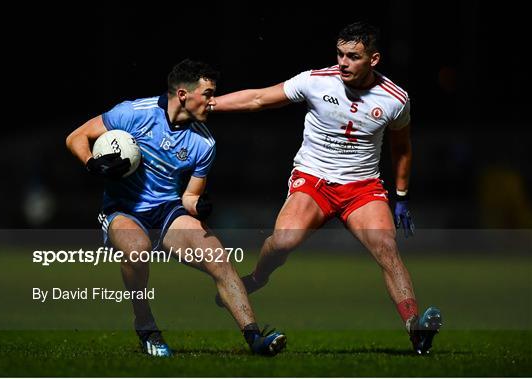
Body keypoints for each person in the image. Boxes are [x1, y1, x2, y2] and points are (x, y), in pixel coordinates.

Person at [212, 22, 442, 354]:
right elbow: (260, 98)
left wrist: (402, 197)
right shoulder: (315, 81)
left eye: (353, 56)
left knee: (386, 248)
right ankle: (257, 279)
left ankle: (416, 329)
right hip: (314, 180)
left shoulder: (395, 98)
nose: (344, 62)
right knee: (283, 241)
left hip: (362, 188)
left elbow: (402, 149)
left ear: (373, 59)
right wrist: (211, 105)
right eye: (340, 54)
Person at [65, 59, 286, 357]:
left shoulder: (204, 142)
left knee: (218, 258)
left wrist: (200, 205)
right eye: (207, 94)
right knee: (136, 249)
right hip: (123, 209)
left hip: (167, 210)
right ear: (183, 94)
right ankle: (145, 324)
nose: (212, 102)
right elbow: (75, 137)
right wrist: (93, 164)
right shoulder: (133, 113)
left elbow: (189, 198)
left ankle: (255, 337)